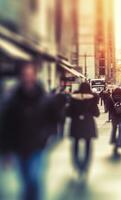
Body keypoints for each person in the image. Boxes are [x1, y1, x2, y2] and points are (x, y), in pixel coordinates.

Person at [1, 62, 62, 200]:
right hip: (19, 147)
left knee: (34, 178)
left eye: (30, 75)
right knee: (26, 181)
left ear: (35, 76)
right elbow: (7, 126)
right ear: (21, 77)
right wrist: (6, 151)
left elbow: (55, 120)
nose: (28, 78)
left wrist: (48, 135)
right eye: (24, 75)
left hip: (38, 146)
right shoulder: (13, 100)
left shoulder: (45, 99)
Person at [67, 82, 100, 178]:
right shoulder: (92, 98)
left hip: (76, 124)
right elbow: (97, 113)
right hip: (88, 124)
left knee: (75, 144)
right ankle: (85, 164)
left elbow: (68, 112)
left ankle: (76, 163)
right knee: (88, 144)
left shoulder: (73, 98)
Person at [107, 88, 121, 155]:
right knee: (120, 130)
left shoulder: (110, 98)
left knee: (114, 129)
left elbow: (108, 107)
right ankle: (119, 144)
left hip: (114, 116)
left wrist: (112, 110)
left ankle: (113, 141)